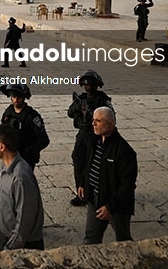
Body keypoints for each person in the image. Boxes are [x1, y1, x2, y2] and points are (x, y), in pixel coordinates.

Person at [77, 107, 137, 244]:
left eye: (98, 121)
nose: (93, 124)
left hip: (115, 202)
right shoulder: (94, 140)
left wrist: (111, 207)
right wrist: (82, 183)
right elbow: (87, 164)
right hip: (95, 198)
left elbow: (127, 185)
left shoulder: (124, 151)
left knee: (123, 237)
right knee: (91, 237)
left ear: (111, 123)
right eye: (93, 120)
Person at [0, 124, 45, 251]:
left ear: (2, 147)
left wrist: (10, 248)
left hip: (19, 245)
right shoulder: (6, 167)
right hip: (3, 236)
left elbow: (25, 220)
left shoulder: (21, 178)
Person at [67, 70, 113, 206]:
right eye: (86, 85)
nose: (88, 87)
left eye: (91, 84)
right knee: (78, 161)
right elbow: (70, 113)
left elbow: (110, 116)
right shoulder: (80, 99)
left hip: (97, 136)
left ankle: (96, 192)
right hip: (83, 134)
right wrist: (77, 106)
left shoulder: (103, 100)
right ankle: (81, 193)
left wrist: (94, 111)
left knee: (94, 164)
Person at [0, 83, 49, 169]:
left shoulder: (32, 116)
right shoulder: (9, 112)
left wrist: (29, 151)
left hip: (26, 159)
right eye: (13, 97)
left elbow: (44, 139)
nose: (16, 100)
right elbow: (1, 133)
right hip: (9, 156)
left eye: (19, 97)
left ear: (24, 97)